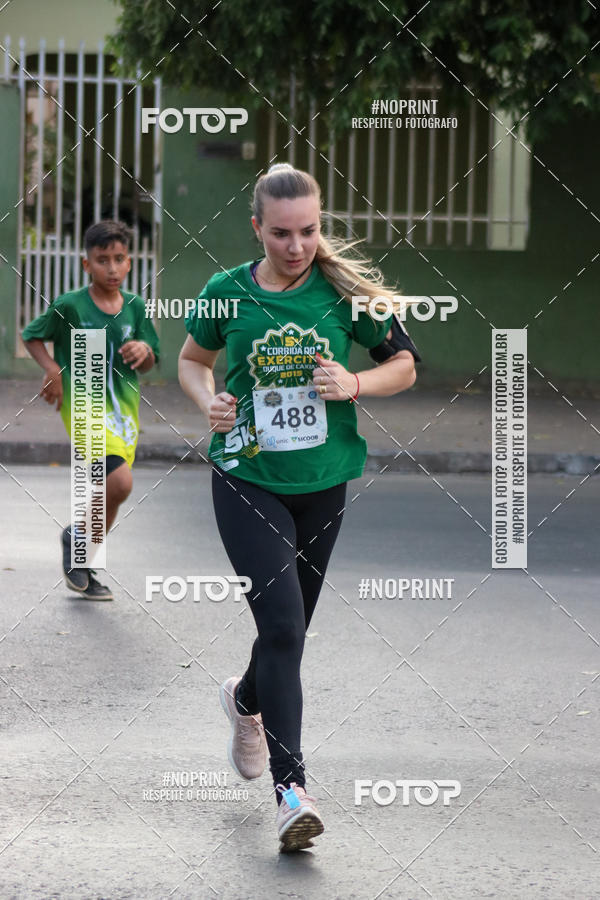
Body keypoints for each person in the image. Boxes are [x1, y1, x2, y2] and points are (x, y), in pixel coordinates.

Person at [178, 163, 421, 852]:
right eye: (282, 233)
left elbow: (405, 362)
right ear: (257, 227)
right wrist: (210, 402)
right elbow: (192, 362)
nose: (297, 246)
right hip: (246, 478)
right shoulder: (227, 293)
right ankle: (293, 794)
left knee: (290, 631)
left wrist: (356, 380)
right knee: (282, 626)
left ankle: (245, 700)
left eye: (309, 231)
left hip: (324, 479)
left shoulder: (343, 291)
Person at [21, 220, 160, 601]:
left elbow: (152, 358)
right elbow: (32, 335)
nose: (112, 268)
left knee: (112, 493)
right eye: (102, 260)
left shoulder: (135, 307)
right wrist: (52, 370)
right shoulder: (70, 305)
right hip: (82, 406)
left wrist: (144, 352)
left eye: (119, 259)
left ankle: (81, 556)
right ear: (87, 265)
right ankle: (78, 542)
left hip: (124, 413)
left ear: (130, 263)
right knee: (120, 483)